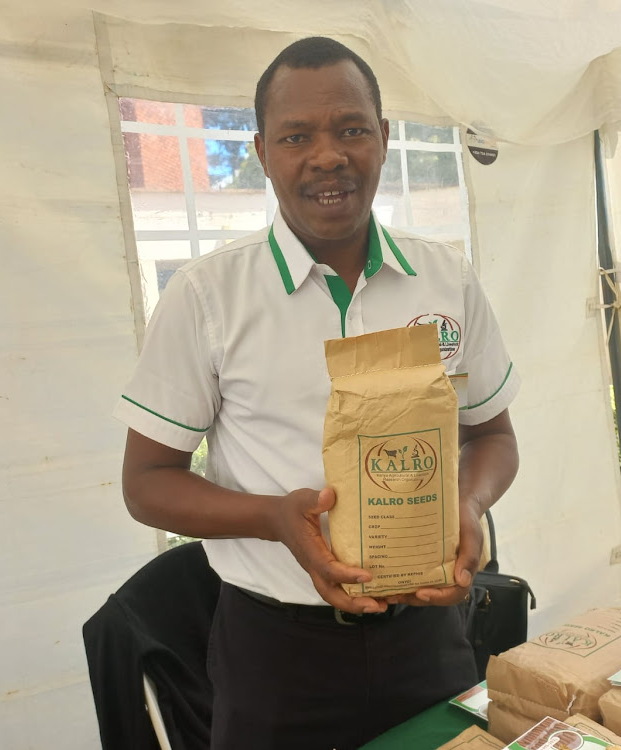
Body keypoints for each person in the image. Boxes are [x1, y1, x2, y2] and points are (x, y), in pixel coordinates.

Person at [114, 36, 520, 750]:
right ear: (264, 152)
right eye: (297, 136)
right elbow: (147, 484)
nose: (327, 155)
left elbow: (493, 435)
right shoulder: (208, 297)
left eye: (351, 129)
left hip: (429, 639)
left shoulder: (445, 279)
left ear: (384, 139)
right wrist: (274, 517)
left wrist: (470, 501)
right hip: (276, 653)